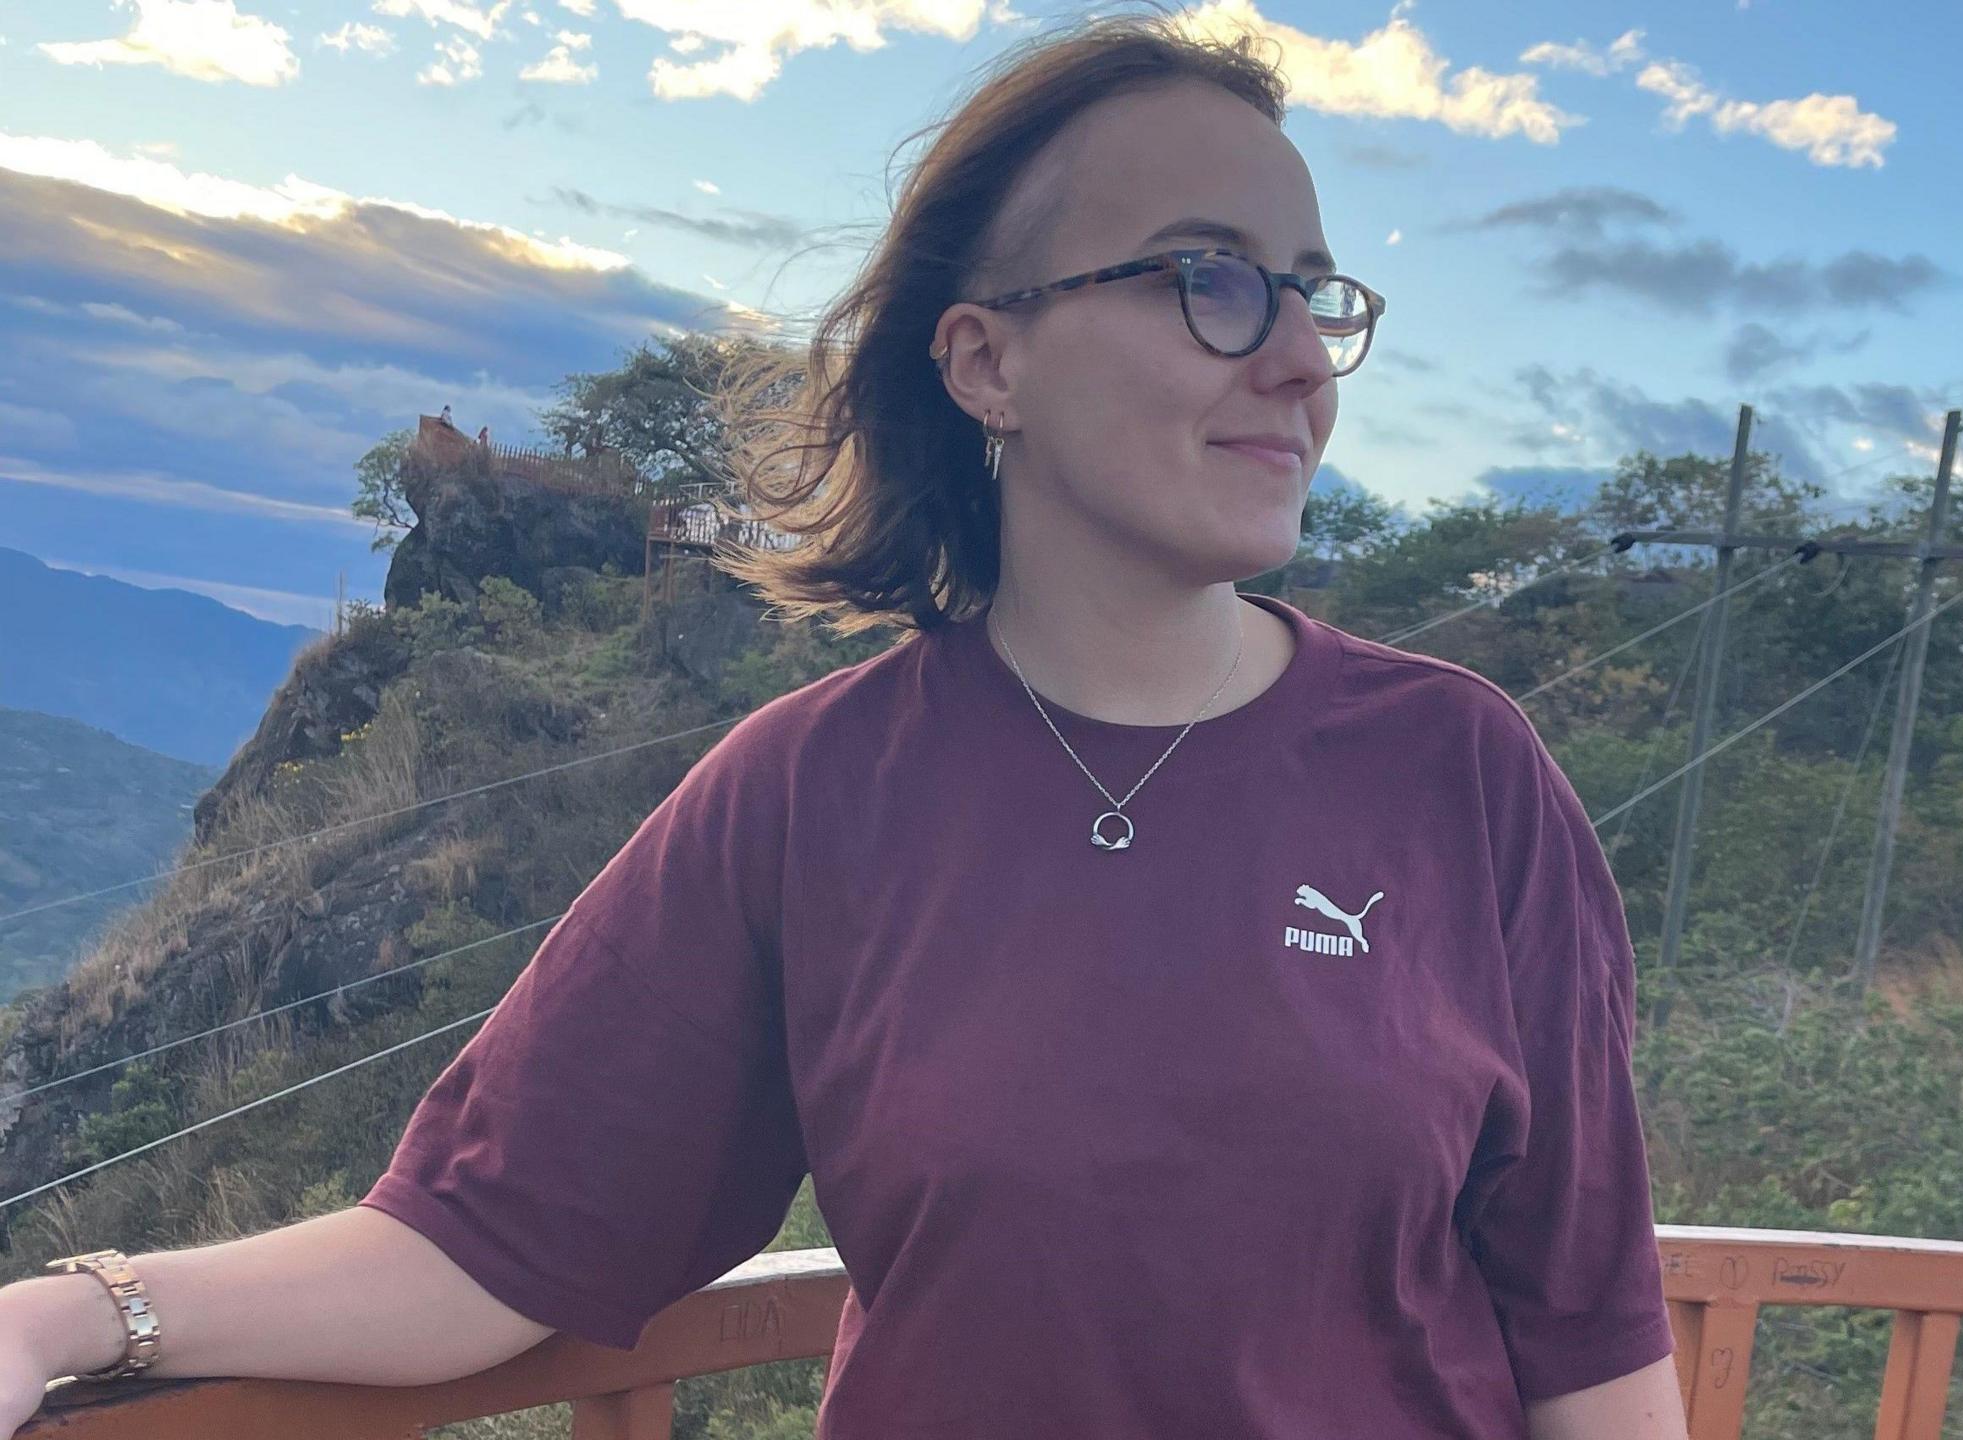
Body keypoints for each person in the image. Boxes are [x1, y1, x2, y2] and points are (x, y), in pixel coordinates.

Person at [0, 8, 1683, 1438]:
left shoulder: (1462, 773)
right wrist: (67, 1318)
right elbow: (483, 1243)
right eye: (1207, 280)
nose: (1301, 363)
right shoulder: (812, 794)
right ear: (984, 364)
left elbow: (1593, 1339)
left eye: (1312, 295)